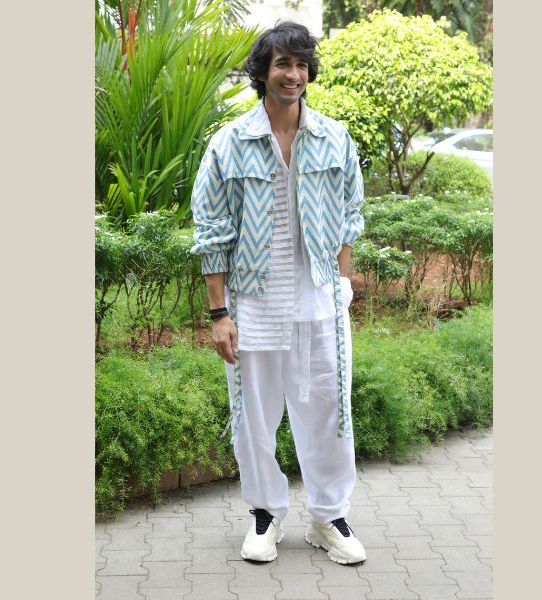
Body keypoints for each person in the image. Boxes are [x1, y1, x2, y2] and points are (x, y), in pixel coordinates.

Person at [190, 21, 366, 565]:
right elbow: (212, 230)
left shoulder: (334, 138)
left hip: (319, 301)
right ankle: (265, 515)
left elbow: (349, 215)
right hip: (254, 302)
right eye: (282, 64)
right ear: (262, 72)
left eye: (301, 64)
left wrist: (341, 285)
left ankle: (328, 517)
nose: (293, 74)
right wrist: (219, 313)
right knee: (254, 418)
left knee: (328, 411)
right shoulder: (230, 143)